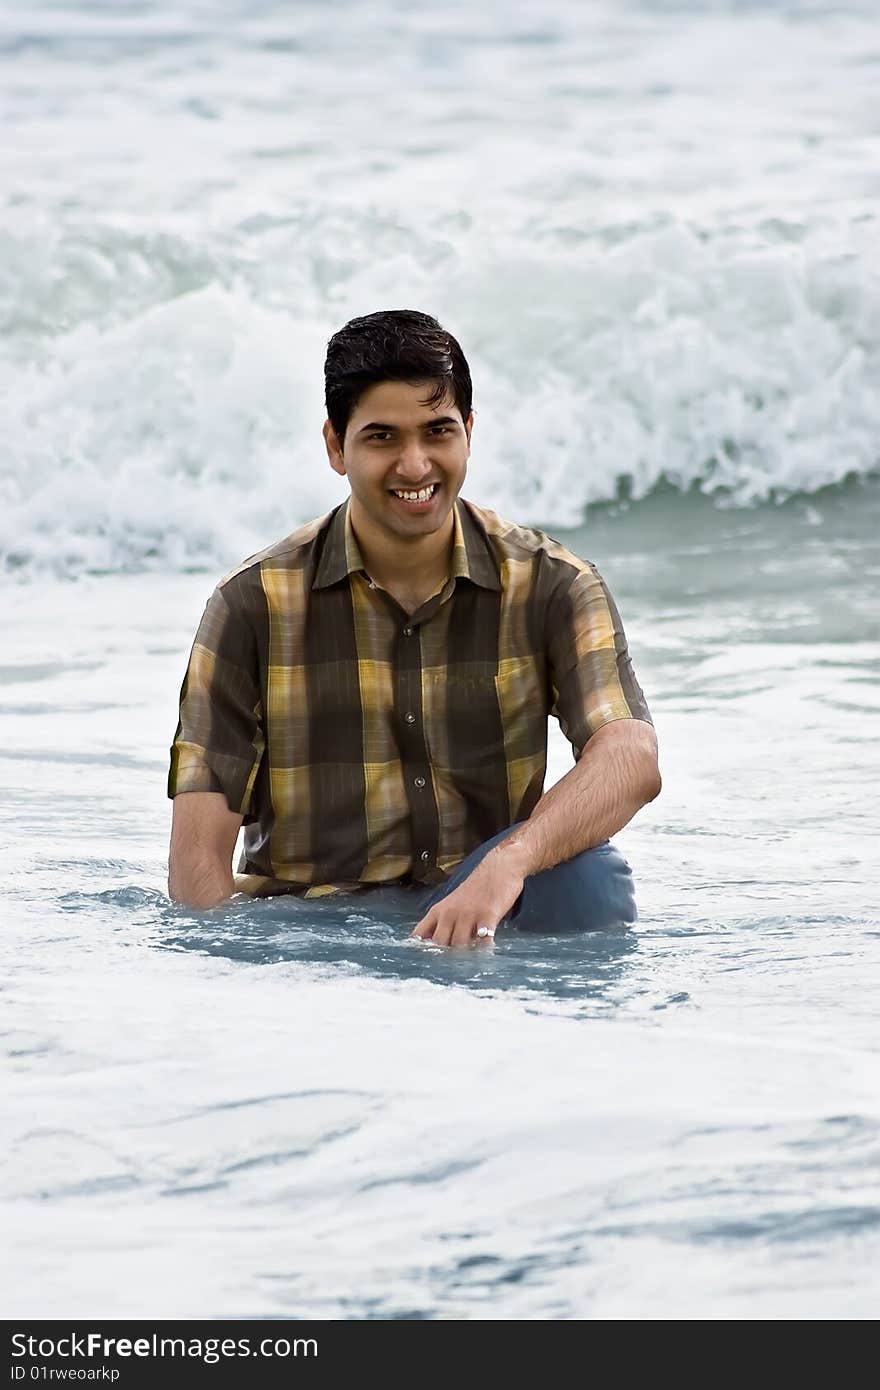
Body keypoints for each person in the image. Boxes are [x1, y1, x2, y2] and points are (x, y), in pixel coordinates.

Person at [167, 309, 660, 946]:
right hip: (315, 931)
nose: (415, 464)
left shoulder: (552, 585)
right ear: (335, 446)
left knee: (592, 884)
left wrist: (507, 865)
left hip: (483, 914)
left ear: (469, 434)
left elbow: (632, 756)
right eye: (382, 438)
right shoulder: (250, 604)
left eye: (437, 432)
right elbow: (196, 867)